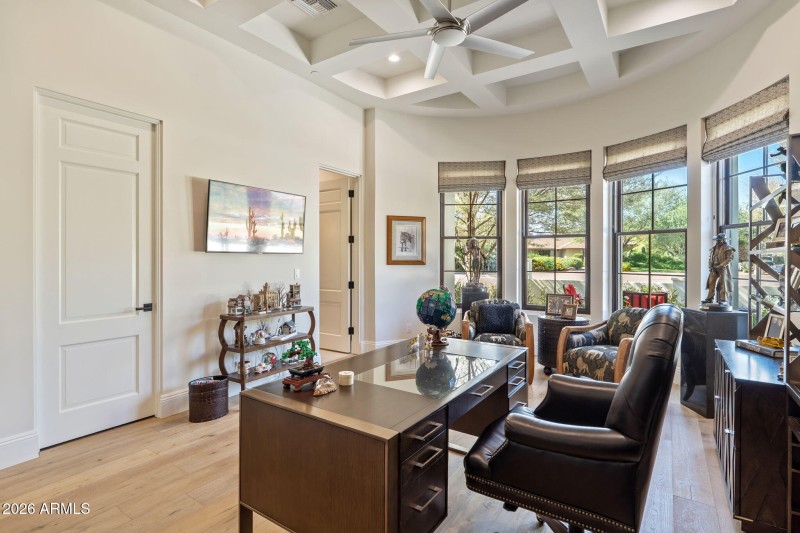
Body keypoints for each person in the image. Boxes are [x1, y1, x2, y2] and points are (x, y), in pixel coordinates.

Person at [703, 233, 735, 304]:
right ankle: (710, 298)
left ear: (723, 240)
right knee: (711, 282)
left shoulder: (728, 248)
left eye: (719, 240)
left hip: (723, 268)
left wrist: (721, 265)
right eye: (717, 240)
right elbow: (710, 258)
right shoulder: (714, 248)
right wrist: (710, 266)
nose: (717, 241)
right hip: (714, 268)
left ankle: (724, 300)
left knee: (723, 284)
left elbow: (729, 259)